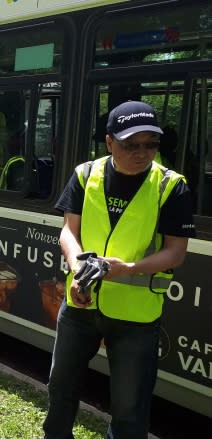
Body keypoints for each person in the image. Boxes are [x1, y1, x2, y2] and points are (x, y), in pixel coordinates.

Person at [44, 101, 196, 438]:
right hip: (80, 304)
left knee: (130, 409)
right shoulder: (85, 174)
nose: (142, 153)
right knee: (60, 389)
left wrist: (128, 268)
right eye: (131, 145)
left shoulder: (171, 186)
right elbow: (69, 231)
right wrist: (77, 268)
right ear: (110, 142)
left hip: (136, 317)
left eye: (151, 145)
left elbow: (176, 252)